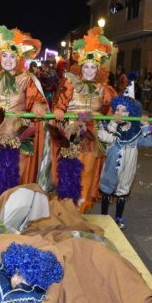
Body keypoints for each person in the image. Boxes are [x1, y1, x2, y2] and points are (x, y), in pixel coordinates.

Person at [0, 25, 47, 206]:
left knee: (19, 165)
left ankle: (13, 202)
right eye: (5, 55)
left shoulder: (26, 79)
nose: (8, 59)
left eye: (13, 56)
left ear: (19, 59)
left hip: (19, 129)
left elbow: (36, 99)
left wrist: (37, 106)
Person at [52, 26, 116, 213]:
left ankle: (81, 205)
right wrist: (58, 110)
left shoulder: (104, 89)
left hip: (91, 136)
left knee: (87, 169)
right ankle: (66, 204)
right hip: (71, 133)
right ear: (80, 68)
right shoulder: (70, 83)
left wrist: (119, 114)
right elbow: (60, 103)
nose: (89, 71)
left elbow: (111, 108)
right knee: (70, 168)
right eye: (86, 67)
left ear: (99, 69)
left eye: (93, 67)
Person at [98, 81, 152, 229]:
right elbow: (105, 137)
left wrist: (145, 125)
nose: (119, 112)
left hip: (128, 167)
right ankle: (104, 217)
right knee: (107, 189)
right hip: (111, 166)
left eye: (124, 110)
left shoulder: (135, 132)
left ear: (131, 113)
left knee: (122, 190)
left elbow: (149, 143)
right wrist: (113, 123)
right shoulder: (111, 125)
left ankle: (118, 218)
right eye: (117, 109)